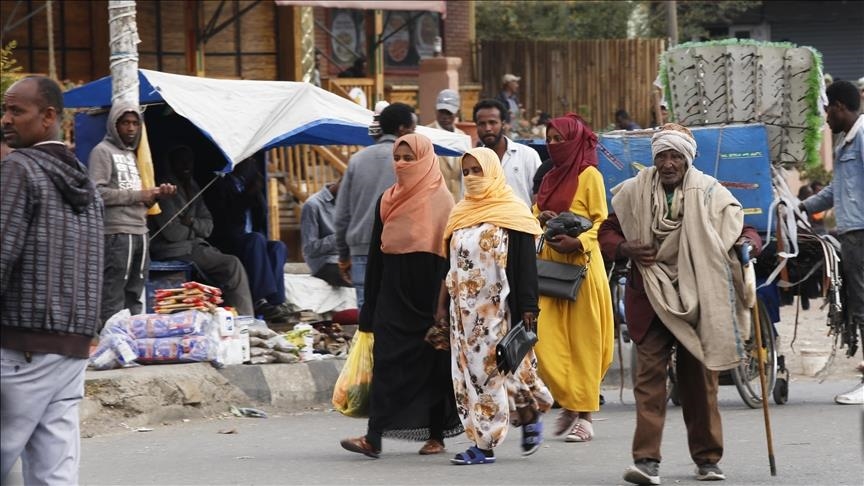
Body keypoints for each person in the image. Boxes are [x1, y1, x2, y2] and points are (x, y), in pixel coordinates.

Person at [598, 123, 762, 484]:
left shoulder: (709, 192)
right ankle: (646, 462)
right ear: (654, 158)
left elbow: (742, 227)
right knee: (649, 380)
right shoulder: (633, 192)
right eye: (661, 156)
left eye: (675, 156)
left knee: (699, 382)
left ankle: (707, 460)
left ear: (688, 158)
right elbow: (608, 231)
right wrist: (625, 248)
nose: (668, 163)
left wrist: (749, 245)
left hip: (698, 296)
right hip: (651, 294)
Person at [1, 76, 104, 485]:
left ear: (48, 117)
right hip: (72, 348)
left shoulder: (18, 169)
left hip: (20, 345)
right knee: (54, 470)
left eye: (16, 111)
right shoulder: (84, 181)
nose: (6, 119)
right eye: (5, 110)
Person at [339, 133, 462, 458]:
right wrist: (369, 309)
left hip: (429, 298)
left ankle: (436, 435)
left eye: (409, 158)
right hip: (393, 295)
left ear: (424, 159)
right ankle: (373, 437)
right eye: (398, 157)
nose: (402, 164)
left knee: (433, 366)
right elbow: (378, 258)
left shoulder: (443, 201)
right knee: (387, 363)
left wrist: (444, 305)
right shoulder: (386, 199)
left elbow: (449, 259)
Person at [437, 147, 554, 465]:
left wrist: (529, 308)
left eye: (478, 170)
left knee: (491, 373)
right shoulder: (460, 214)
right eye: (467, 172)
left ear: (492, 171)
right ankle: (529, 413)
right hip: (464, 315)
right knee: (478, 376)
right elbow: (453, 267)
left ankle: (485, 444)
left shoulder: (513, 212)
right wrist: (442, 311)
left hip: (499, 312)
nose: (472, 177)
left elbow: (525, 264)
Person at [532, 113, 614, 444]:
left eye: (559, 139)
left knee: (585, 342)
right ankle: (569, 397)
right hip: (550, 266)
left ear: (575, 141)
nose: (554, 145)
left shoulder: (589, 175)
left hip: (581, 265)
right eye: (549, 140)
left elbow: (601, 222)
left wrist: (578, 241)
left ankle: (585, 416)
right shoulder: (550, 177)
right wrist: (543, 217)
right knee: (545, 339)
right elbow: (534, 212)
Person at [799, 80, 864, 406]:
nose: (825, 118)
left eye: (827, 111)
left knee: (863, 306)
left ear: (839, 106)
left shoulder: (862, 137)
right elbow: (835, 191)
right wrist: (800, 206)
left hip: (862, 234)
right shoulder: (847, 142)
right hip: (852, 234)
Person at [88, 102, 176, 324]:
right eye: (125, 123)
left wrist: (156, 195)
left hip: (140, 230)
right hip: (117, 232)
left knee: (135, 293)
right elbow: (97, 193)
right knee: (114, 293)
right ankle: (111, 342)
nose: (130, 128)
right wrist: (140, 195)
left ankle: (131, 342)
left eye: (135, 123)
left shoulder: (132, 154)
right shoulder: (102, 151)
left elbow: (137, 195)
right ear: (114, 125)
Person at [148, 145, 255, 317]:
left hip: (194, 246)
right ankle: (245, 320)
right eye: (180, 160)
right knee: (232, 265)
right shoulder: (165, 186)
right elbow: (173, 233)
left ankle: (231, 317)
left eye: (189, 160)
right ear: (171, 163)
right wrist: (197, 229)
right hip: (174, 249)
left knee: (230, 267)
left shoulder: (193, 185)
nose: (186, 165)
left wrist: (191, 222)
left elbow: (209, 227)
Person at [334, 102, 416, 308]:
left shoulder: (356, 160)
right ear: (402, 129)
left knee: (367, 313)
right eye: (413, 129)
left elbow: (341, 215)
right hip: (399, 250)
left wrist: (344, 255)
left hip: (361, 249)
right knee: (395, 310)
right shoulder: (412, 162)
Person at [206, 157, 290, 322]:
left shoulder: (250, 186)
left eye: (252, 161)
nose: (251, 164)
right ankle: (259, 299)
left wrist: (256, 193)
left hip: (250, 240)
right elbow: (227, 217)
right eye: (247, 160)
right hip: (227, 241)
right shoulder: (221, 184)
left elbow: (261, 214)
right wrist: (248, 194)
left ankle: (276, 301)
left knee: (278, 247)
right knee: (256, 239)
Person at [473, 99, 541, 206]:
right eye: (482, 124)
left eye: (492, 122)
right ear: (476, 126)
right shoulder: (473, 162)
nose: (488, 128)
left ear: (503, 124)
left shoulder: (527, 156)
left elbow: (539, 197)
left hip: (523, 221)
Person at [301, 179, 350, 287]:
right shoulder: (312, 205)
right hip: (325, 262)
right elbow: (309, 249)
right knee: (357, 278)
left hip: (348, 260)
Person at [428, 88, 467, 202]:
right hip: (434, 205)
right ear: (435, 110)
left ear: (457, 112)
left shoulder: (462, 137)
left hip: (458, 205)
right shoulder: (427, 136)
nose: (445, 117)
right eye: (442, 111)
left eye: (449, 112)